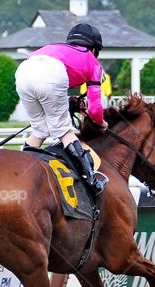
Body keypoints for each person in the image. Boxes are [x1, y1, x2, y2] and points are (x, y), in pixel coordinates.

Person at [15, 23, 109, 194]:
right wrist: (100, 122)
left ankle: (19, 174)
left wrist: (69, 102)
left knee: (40, 129)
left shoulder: (55, 48)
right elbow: (95, 106)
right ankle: (91, 180)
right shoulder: (93, 62)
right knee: (64, 132)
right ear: (94, 49)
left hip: (22, 72)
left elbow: (47, 86)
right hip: (51, 75)